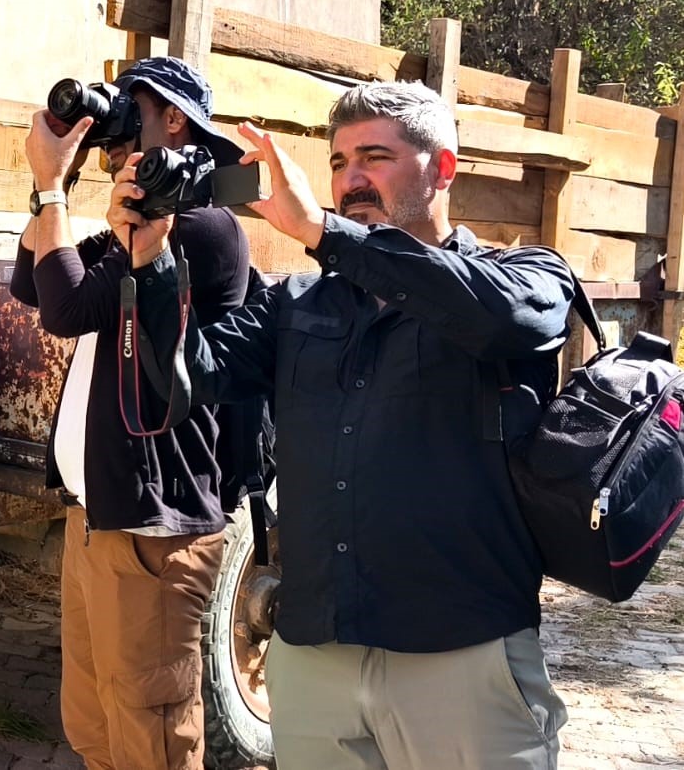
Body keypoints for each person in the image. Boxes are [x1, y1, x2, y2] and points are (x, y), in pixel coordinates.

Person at [122, 81, 572, 769]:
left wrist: (326, 234)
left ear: (442, 168)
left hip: (461, 655)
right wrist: (151, 259)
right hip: (315, 659)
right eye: (337, 163)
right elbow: (192, 374)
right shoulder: (298, 300)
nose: (350, 179)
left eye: (374, 157)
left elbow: (499, 318)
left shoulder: (522, 276)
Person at [12, 57, 253, 770]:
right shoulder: (137, 220)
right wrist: (49, 189)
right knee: (95, 732)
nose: (111, 124)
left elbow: (64, 309)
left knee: (151, 743)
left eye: (128, 109)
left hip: (153, 528)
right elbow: (31, 280)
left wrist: (52, 187)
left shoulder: (200, 226)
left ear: (174, 119)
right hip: (97, 518)